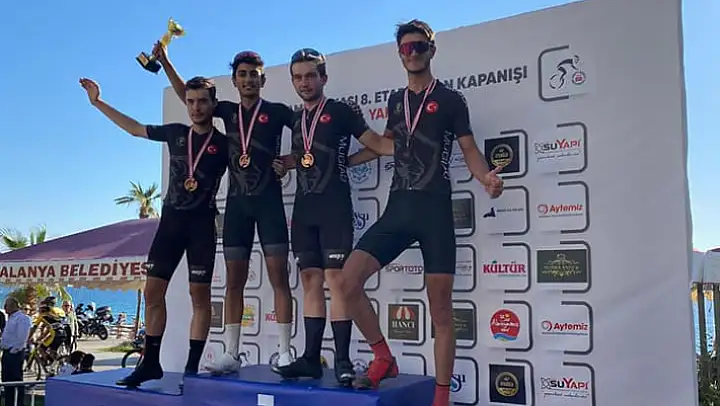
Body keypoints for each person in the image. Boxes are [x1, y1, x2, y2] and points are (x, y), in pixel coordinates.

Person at [335, 20, 504, 406]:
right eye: (406, 48)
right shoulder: (396, 101)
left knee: (441, 312)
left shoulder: (451, 99)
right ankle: (383, 357)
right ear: (399, 55)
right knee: (346, 282)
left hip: (434, 212)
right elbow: (385, 145)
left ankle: (441, 398)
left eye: (419, 47)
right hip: (399, 208)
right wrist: (344, 160)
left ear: (431, 50)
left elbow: (469, 150)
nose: (412, 53)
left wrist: (485, 179)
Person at [153, 45, 295, 374]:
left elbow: (307, 130)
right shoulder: (227, 112)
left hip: (269, 204)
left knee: (279, 278)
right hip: (237, 207)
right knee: (234, 282)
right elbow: (187, 94)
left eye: (254, 75)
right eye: (242, 75)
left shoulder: (277, 112)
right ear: (234, 81)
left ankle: (285, 351)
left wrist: (291, 160)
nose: (248, 80)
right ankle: (231, 353)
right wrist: (166, 62)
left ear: (263, 79)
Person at [79, 75, 229, 387]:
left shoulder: (225, 144)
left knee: (199, 296)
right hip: (171, 223)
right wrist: (97, 103)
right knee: (152, 293)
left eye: (202, 101)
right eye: (190, 101)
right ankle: (150, 363)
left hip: (202, 225)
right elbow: (135, 128)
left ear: (213, 104)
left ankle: (191, 370)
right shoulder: (176, 133)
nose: (196, 108)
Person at [273, 48, 392, 386]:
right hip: (304, 210)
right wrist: (285, 163)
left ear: (323, 78)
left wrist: (406, 147)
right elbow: (304, 156)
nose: (304, 82)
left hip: (335, 207)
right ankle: (311, 358)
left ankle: (342, 359)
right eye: (298, 77)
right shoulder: (295, 119)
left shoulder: (341, 111)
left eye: (311, 76)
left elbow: (377, 143)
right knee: (310, 281)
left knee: (337, 281)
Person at [1, 298, 32, 406]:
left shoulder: (22, 318)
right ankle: (9, 402)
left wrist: (13, 351)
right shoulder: (11, 318)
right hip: (6, 352)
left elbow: (22, 338)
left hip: (14, 354)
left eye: (6, 305)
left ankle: (18, 403)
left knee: (16, 379)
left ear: (13, 306)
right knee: (6, 380)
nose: (5, 307)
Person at [28, 297, 67, 363]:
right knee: (52, 351)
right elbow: (51, 327)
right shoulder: (60, 311)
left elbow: (34, 328)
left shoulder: (43, 315)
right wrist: (42, 336)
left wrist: (29, 338)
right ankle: (57, 362)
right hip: (64, 334)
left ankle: (49, 363)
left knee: (41, 347)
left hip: (55, 335)